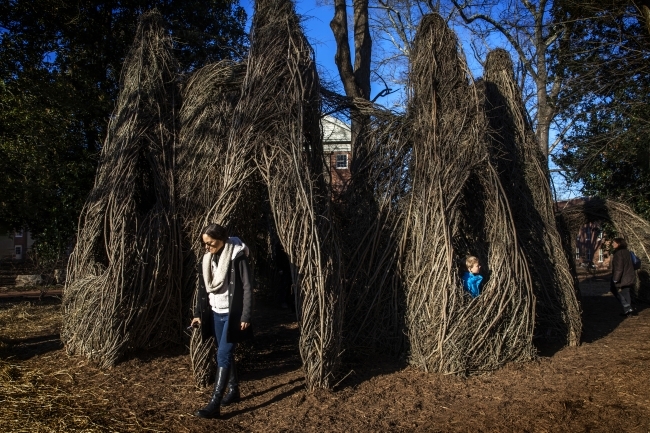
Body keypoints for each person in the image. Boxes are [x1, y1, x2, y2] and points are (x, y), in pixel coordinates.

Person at [191, 223, 253, 419]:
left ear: (222, 240)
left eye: (211, 243)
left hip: (232, 314)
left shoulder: (237, 256)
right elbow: (203, 287)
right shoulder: (208, 258)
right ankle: (234, 390)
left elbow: (247, 287)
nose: (207, 247)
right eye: (205, 244)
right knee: (223, 352)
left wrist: (246, 315)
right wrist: (198, 313)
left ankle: (215, 404)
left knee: (224, 354)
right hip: (216, 312)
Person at [610, 237, 637, 317]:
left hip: (622, 277)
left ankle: (628, 309)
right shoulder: (626, 252)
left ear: (618, 244)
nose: (612, 244)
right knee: (626, 292)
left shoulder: (619, 253)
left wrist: (616, 279)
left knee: (618, 291)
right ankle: (628, 311)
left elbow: (619, 268)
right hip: (628, 276)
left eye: (614, 243)